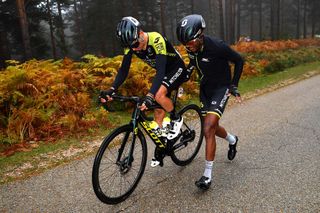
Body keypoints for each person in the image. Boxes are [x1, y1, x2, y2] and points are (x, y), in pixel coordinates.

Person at [100, 16, 188, 167]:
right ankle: (164, 146)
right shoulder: (131, 44)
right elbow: (123, 70)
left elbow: (160, 72)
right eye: (130, 46)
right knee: (157, 116)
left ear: (140, 33)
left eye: (135, 44)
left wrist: (150, 95)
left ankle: (176, 118)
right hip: (163, 73)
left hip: (176, 69)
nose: (134, 49)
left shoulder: (156, 39)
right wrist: (111, 90)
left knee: (158, 95)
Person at [176, 14, 244, 189]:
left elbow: (239, 60)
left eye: (189, 43)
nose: (187, 47)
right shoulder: (192, 49)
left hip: (221, 89)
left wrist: (233, 85)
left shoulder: (217, 46)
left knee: (207, 128)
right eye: (185, 44)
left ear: (200, 36)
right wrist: (179, 80)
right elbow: (192, 65)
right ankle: (232, 139)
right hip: (205, 91)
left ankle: (207, 176)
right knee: (212, 128)